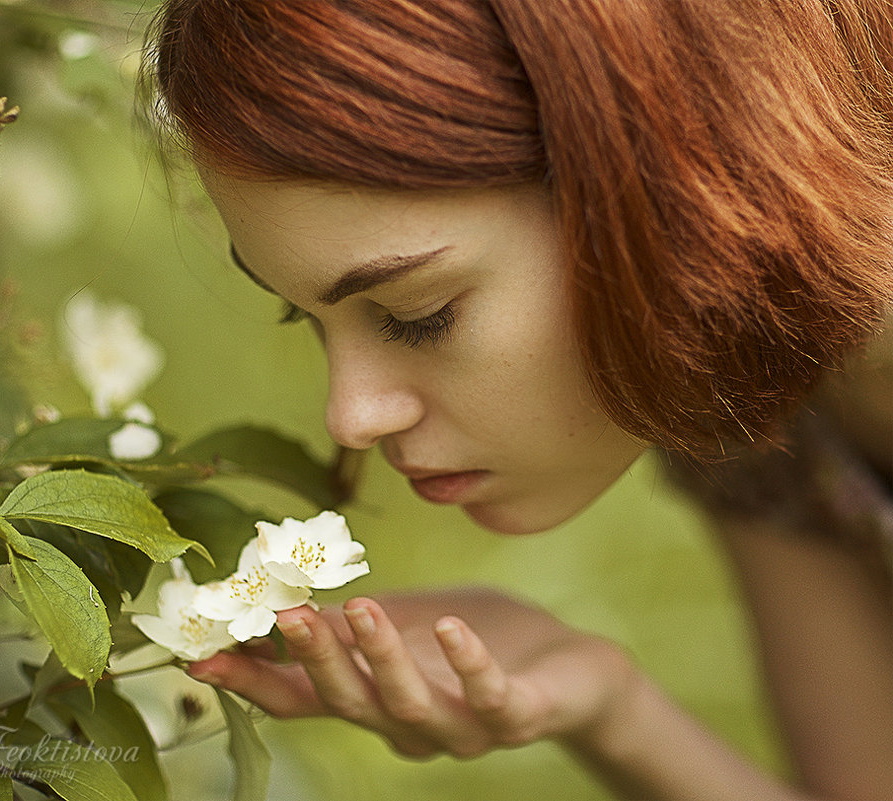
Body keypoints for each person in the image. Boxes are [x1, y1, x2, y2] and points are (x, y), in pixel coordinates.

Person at [143, 1, 893, 798]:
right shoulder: (745, 382)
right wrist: (614, 708)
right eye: (306, 316)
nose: (351, 418)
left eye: (417, 315)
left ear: (657, 185)